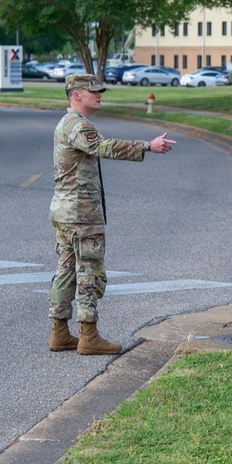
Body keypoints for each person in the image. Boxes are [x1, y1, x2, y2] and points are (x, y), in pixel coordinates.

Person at [48, 74, 176, 355]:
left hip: (67, 211)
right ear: (76, 95)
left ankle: (59, 332)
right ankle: (88, 336)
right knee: (89, 272)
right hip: (81, 213)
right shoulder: (78, 125)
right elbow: (103, 147)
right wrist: (147, 146)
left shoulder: (68, 123)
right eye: (93, 91)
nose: (99, 94)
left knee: (67, 271)